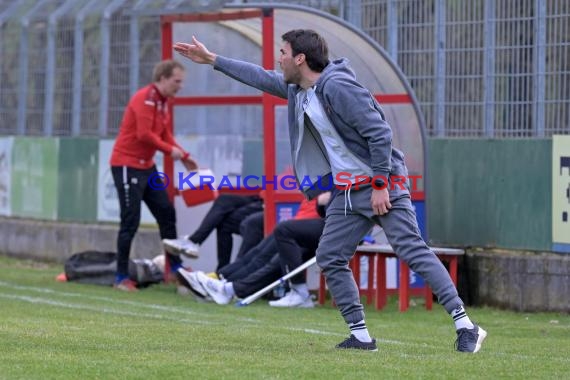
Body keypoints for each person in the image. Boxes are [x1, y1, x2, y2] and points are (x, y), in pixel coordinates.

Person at [173, 30, 487, 353]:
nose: (278, 59)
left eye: (283, 52)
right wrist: (212, 60)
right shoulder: (299, 90)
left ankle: (466, 326)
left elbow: (380, 134)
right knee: (329, 257)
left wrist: (380, 183)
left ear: (300, 59)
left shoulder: (338, 86)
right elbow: (260, 77)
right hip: (347, 193)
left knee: (412, 250)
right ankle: (361, 336)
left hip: (383, 185)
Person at [110, 59, 198, 292]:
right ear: (163, 78)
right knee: (130, 221)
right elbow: (144, 135)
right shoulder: (145, 98)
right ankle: (120, 277)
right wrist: (171, 151)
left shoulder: (162, 102)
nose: (180, 86)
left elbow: (164, 133)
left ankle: (174, 267)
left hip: (146, 167)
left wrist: (184, 155)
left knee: (166, 212)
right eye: (177, 81)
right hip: (127, 165)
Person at [176, 194, 327, 306]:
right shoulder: (319, 167)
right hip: (298, 225)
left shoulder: (334, 167)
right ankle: (217, 281)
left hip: (310, 229)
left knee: (269, 261)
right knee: (256, 255)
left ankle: (225, 287)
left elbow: (325, 201)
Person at [162, 194, 263, 270]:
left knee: (225, 222)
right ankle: (193, 242)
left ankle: (227, 274)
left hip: (271, 204)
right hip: (262, 197)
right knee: (224, 199)